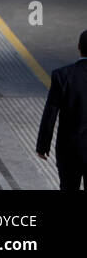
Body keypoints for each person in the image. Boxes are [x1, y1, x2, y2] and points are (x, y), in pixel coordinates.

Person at [36, 29, 87, 190]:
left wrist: (43, 145)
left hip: (69, 150)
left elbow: (50, 113)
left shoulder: (62, 75)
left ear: (79, 47)